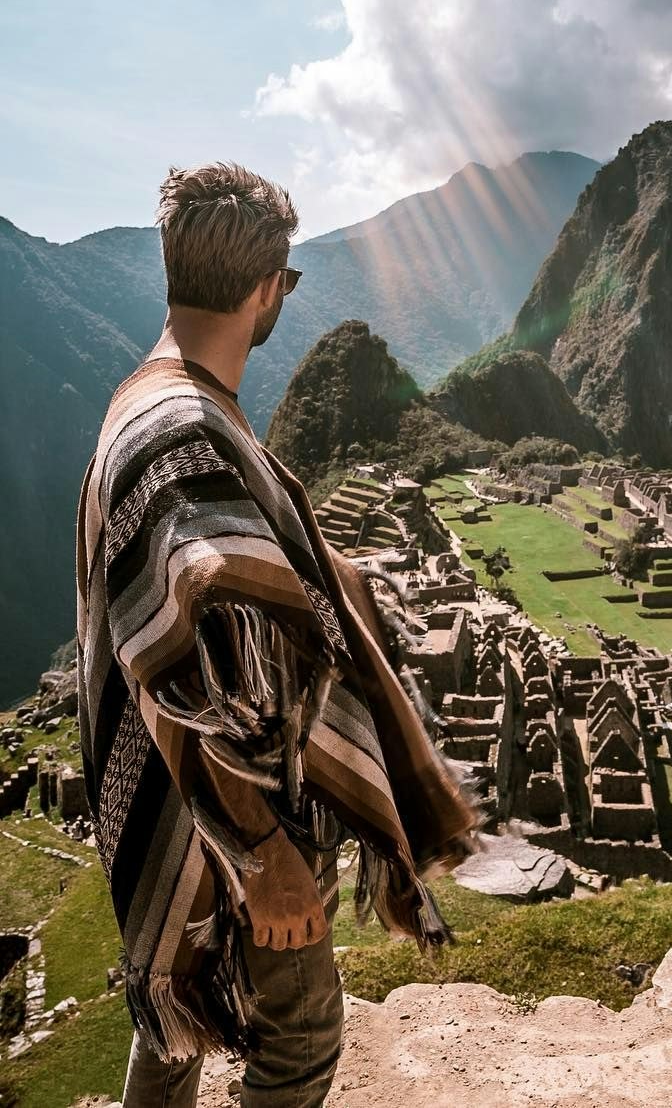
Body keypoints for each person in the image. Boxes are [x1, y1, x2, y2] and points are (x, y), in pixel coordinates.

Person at [75, 163, 481, 1106]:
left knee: (179, 1018)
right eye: (287, 282)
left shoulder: (146, 398)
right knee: (300, 1035)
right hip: (235, 818)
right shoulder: (181, 434)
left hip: (175, 802)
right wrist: (263, 853)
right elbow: (184, 665)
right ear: (267, 289)